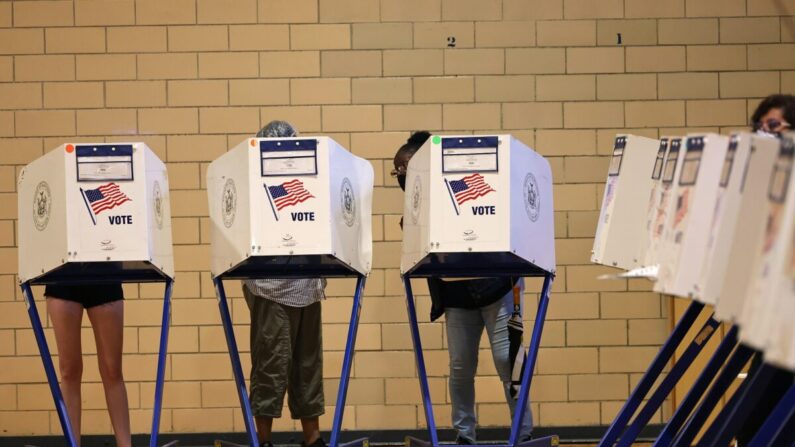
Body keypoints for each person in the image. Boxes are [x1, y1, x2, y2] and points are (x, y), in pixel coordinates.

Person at [393, 131, 534, 444]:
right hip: (457, 294)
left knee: (506, 359)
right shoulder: (416, 204)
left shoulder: (462, 181)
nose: (401, 178)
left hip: (498, 286)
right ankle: (464, 433)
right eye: (398, 173)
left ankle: (523, 432)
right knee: (460, 364)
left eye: (405, 169)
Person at [244, 120, 327, 447]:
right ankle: (262, 440)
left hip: (308, 285)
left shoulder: (310, 180)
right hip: (270, 287)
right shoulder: (257, 186)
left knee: (308, 365)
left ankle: (313, 438)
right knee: (271, 365)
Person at [44, 282, 130, 446]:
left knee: (112, 370)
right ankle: (73, 443)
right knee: (69, 371)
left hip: (104, 272)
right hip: (62, 275)